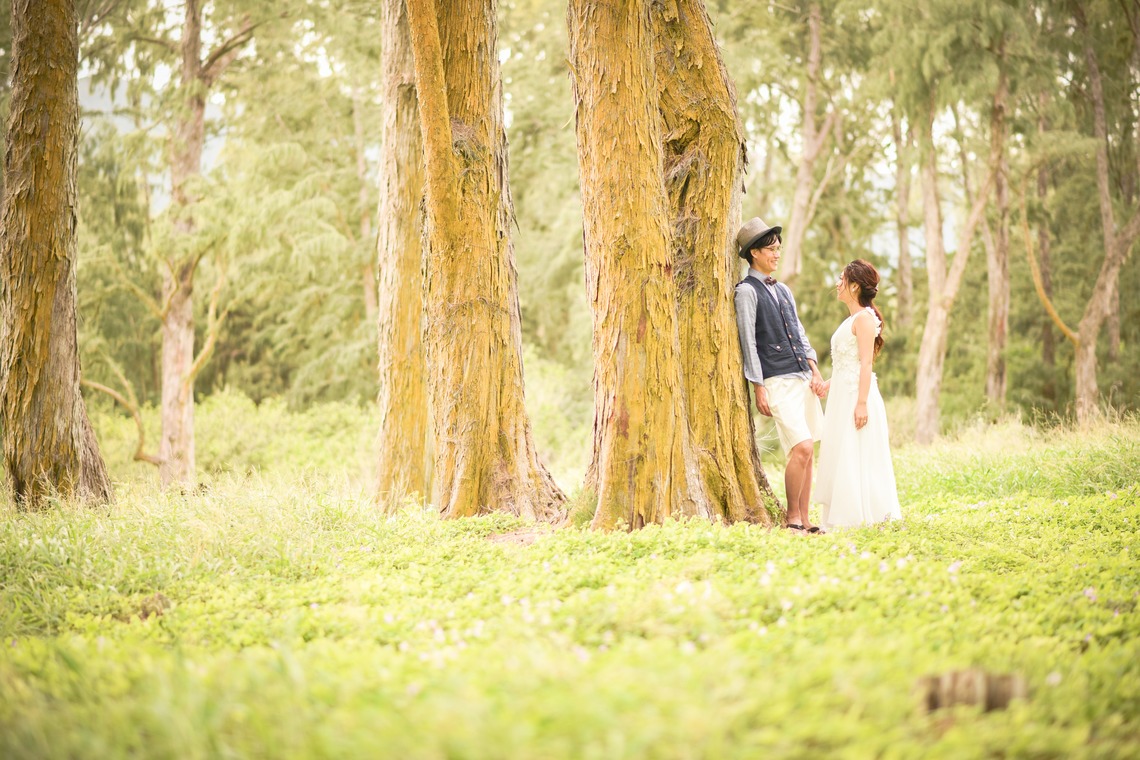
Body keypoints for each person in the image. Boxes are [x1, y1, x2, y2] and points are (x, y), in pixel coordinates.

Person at [733, 217, 826, 534]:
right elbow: (748, 341)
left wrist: (814, 370)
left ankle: (805, 517)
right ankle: (791, 519)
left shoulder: (784, 289)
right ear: (754, 253)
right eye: (771, 249)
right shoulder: (746, 291)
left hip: (802, 376)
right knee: (800, 447)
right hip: (776, 380)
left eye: (778, 248)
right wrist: (757, 386)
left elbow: (799, 333)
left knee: (809, 449)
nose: (776, 254)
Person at [815, 259, 902, 530]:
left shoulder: (864, 319)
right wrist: (828, 385)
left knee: (855, 452)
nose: (837, 284)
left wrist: (861, 403)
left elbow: (866, 363)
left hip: (857, 397)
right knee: (841, 451)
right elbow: (847, 364)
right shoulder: (852, 319)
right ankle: (838, 515)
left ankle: (859, 515)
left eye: (842, 279)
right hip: (842, 396)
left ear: (854, 286)